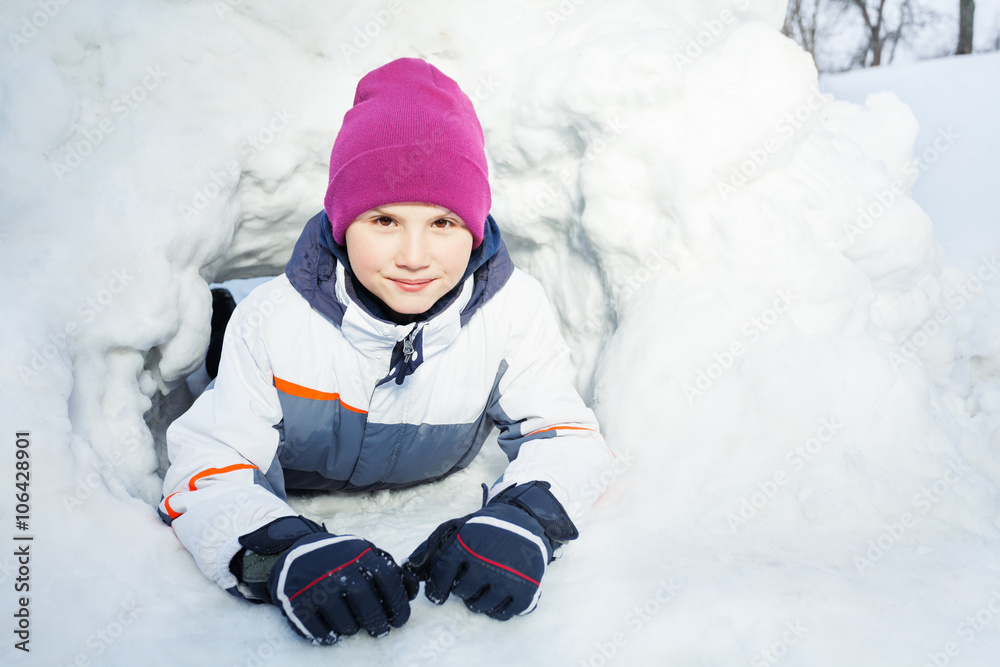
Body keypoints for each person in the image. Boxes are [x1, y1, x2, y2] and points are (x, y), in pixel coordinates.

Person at [158, 57, 616, 646]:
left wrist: (526, 519)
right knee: (221, 360)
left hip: (424, 454)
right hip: (287, 403)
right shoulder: (271, 320)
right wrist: (280, 554)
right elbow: (206, 467)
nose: (414, 256)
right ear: (342, 221)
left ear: (476, 229)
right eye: (384, 220)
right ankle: (212, 322)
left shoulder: (512, 309)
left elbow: (567, 435)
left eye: (444, 224)